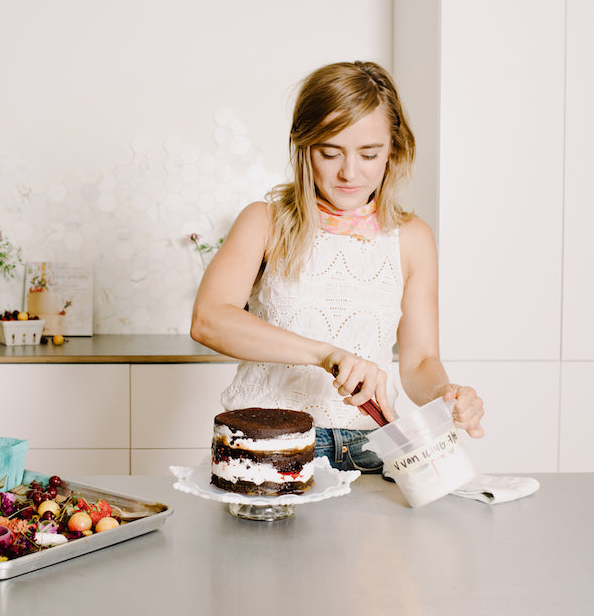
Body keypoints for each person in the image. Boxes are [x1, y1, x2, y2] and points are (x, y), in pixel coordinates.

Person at [190, 60, 485, 473]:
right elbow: (209, 320)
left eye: (369, 154)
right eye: (329, 152)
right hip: (267, 446)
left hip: (373, 448)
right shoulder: (264, 221)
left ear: (393, 150)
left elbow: (419, 362)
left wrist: (446, 394)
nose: (350, 172)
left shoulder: (412, 237)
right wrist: (324, 354)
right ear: (304, 146)